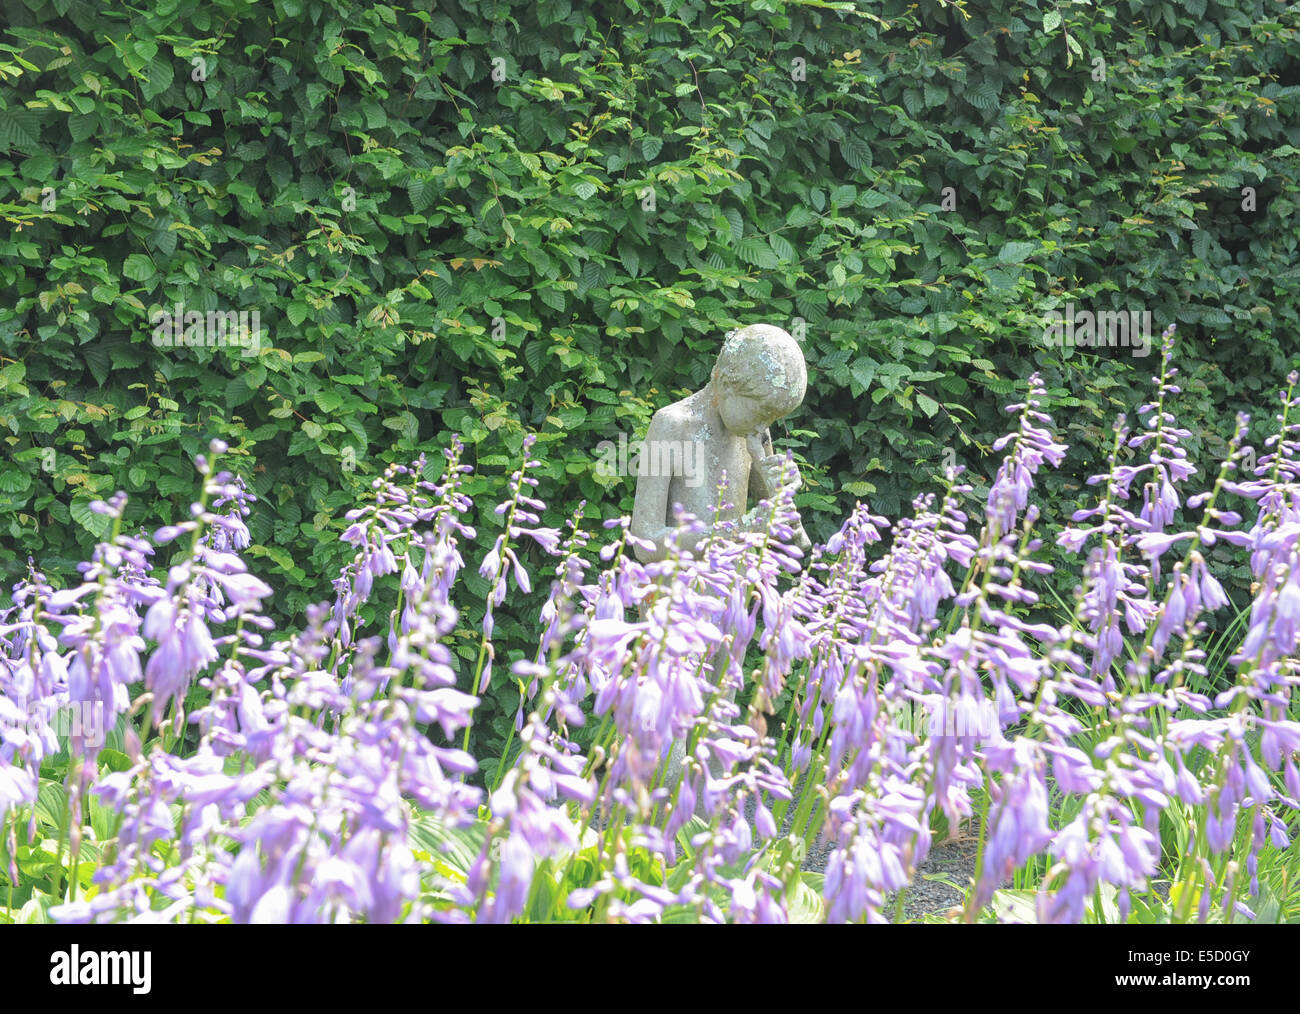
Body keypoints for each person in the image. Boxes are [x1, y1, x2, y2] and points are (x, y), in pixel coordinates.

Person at [629, 323, 811, 562]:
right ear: (726, 384)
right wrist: (742, 529)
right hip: (678, 591)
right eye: (762, 413)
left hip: (735, 586)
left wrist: (779, 493)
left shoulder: (752, 431)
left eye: (773, 418)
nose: (764, 425)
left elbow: (770, 530)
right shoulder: (672, 425)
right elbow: (645, 543)